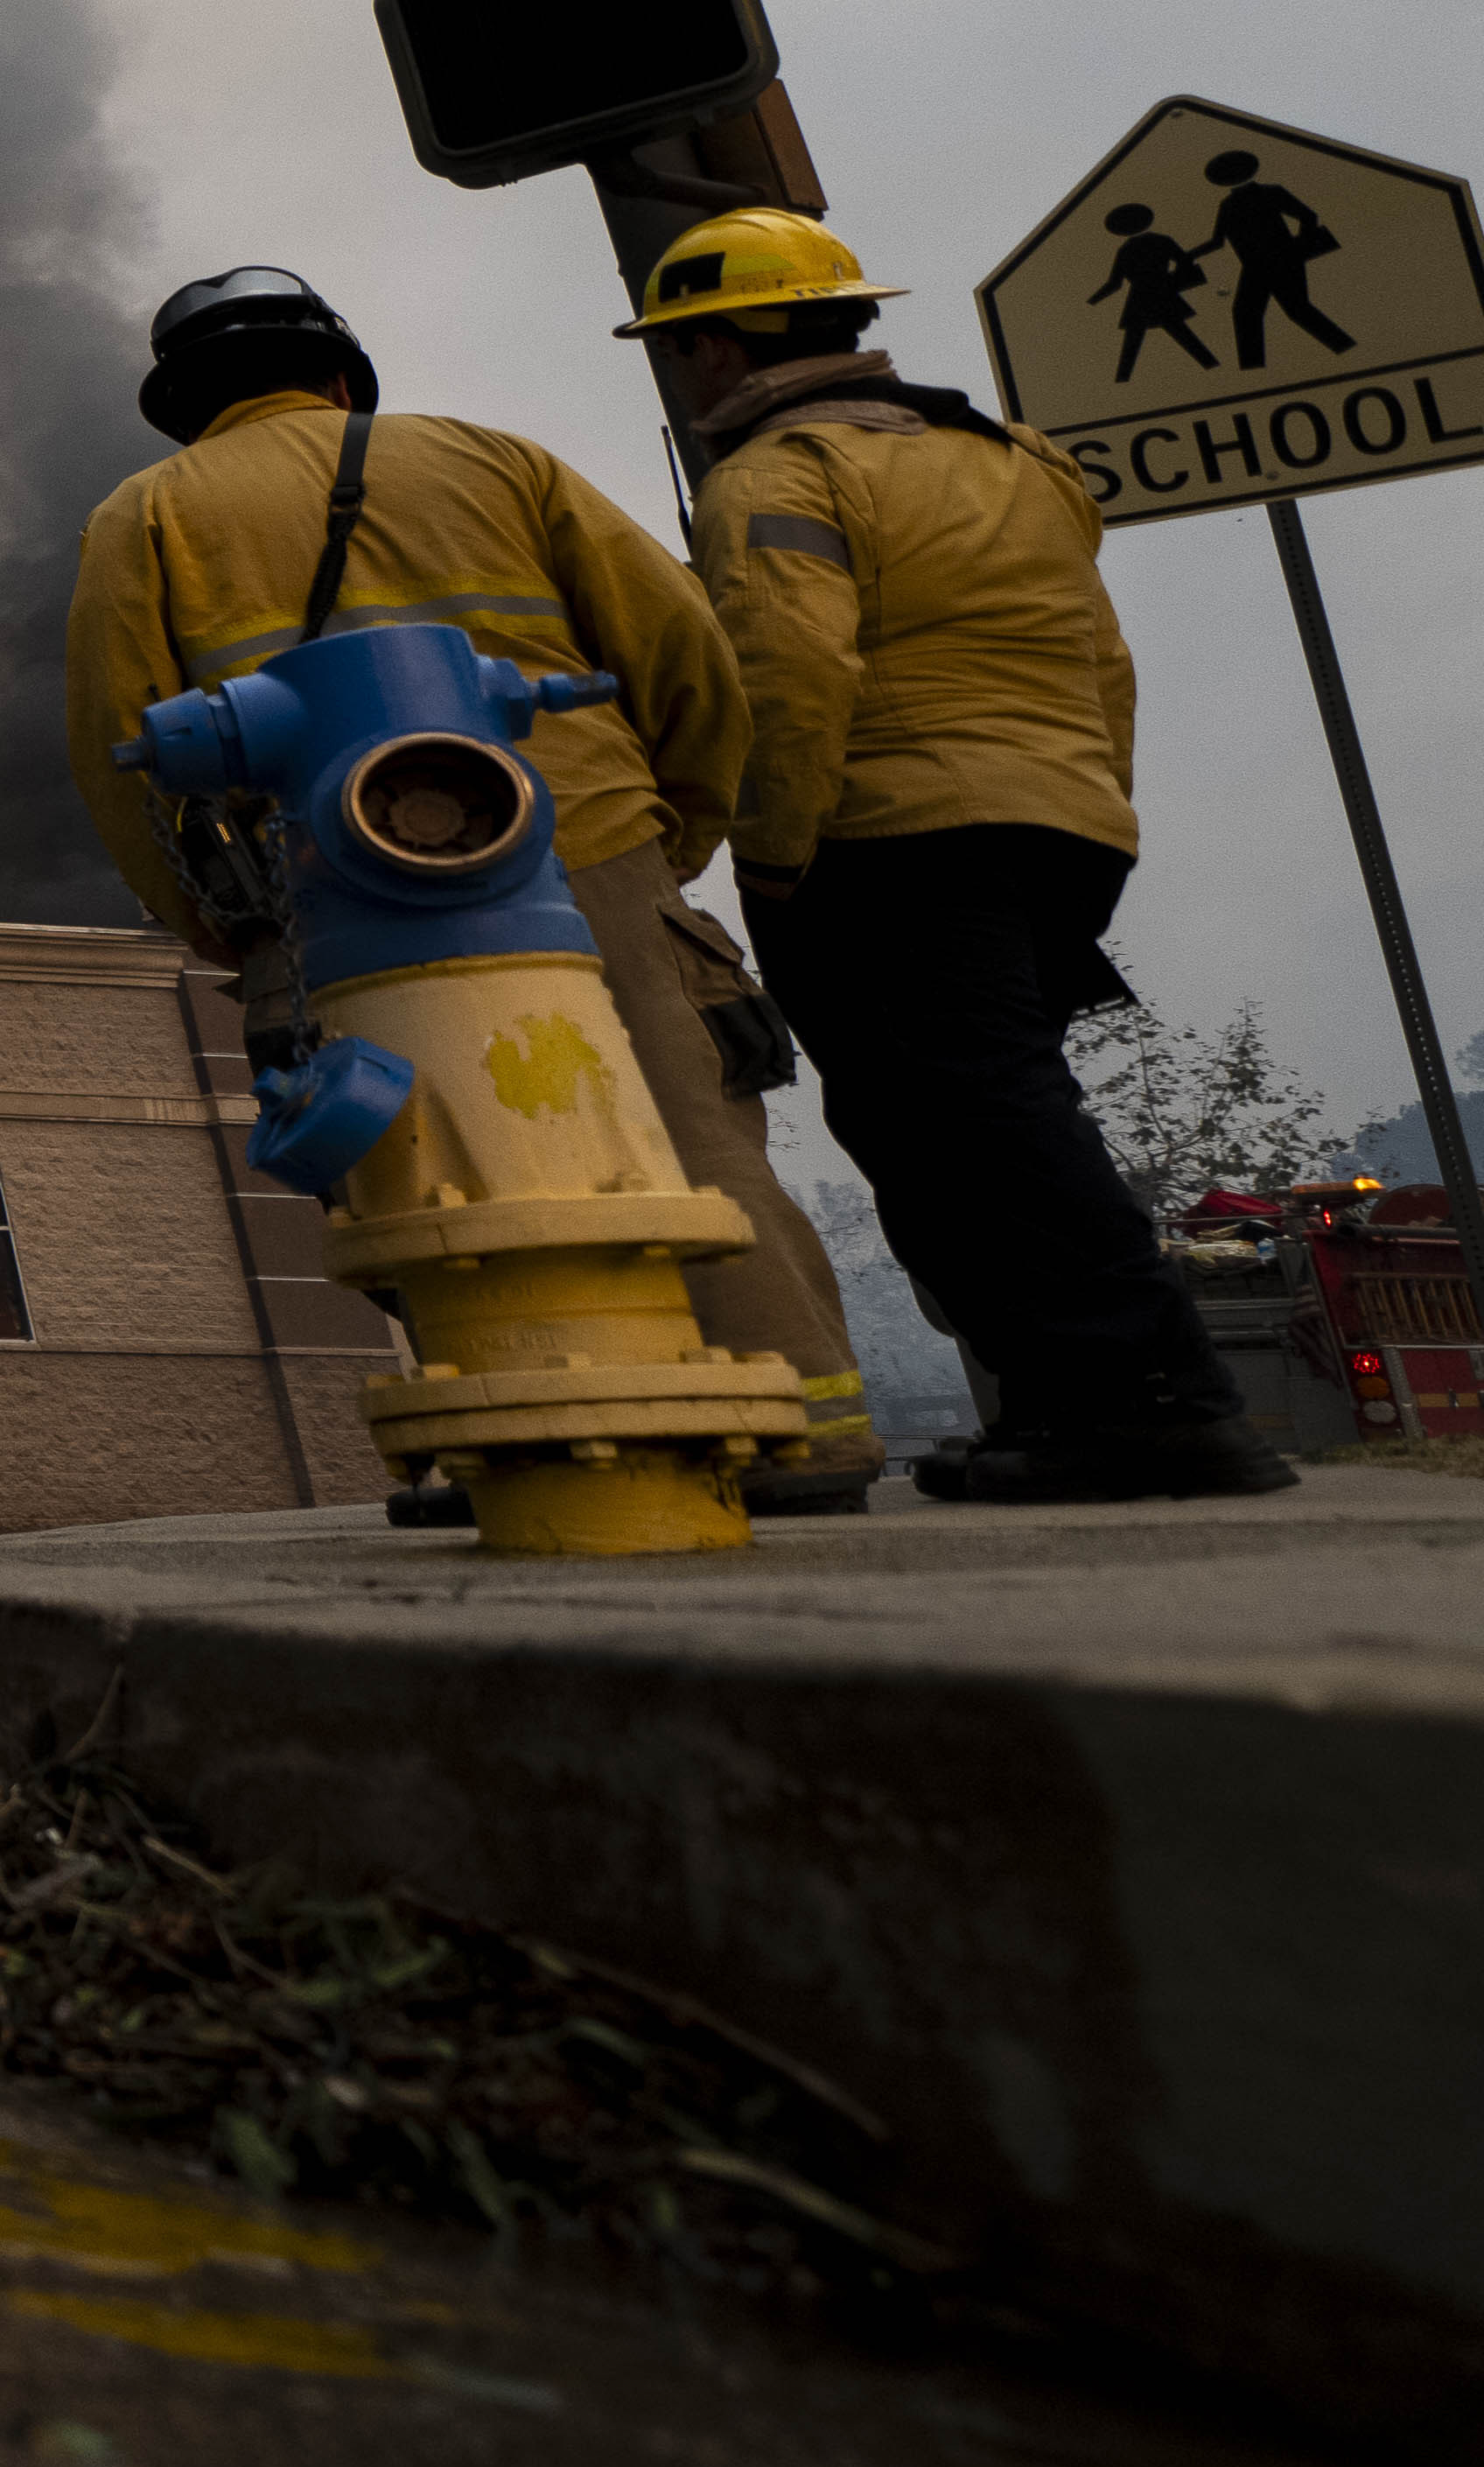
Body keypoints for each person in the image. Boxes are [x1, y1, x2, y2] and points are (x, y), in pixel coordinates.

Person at [64, 263, 873, 1512]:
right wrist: (672, 830)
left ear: (183, 404)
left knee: (419, 1166)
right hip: (583, 838)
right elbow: (685, 652)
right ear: (341, 374)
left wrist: (230, 926)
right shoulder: (493, 459)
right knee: (684, 1137)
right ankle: (808, 1434)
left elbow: (124, 753)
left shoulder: (147, 514)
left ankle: (517, 1441)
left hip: (333, 887)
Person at [616, 207, 1284, 1503]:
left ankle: (1148, 1403)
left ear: (722, 346)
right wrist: (1094, 810)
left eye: (687, 342)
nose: (686, 369)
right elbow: (1107, 661)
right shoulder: (1016, 458)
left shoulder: (775, 475)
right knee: (978, 1118)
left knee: (968, 1132)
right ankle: (1067, 1403)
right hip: (1062, 824)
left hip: (893, 839)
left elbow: (790, 678)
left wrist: (769, 856)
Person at [1199, 149, 1350, 371]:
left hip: (1283, 261)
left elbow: (1308, 216)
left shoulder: (1270, 192)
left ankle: (1348, 349)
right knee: (1246, 313)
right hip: (1254, 268)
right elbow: (1217, 241)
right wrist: (1187, 257)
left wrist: (1297, 249)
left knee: (1297, 310)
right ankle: (1252, 372)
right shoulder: (1228, 205)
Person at [1085, 202, 1210, 384]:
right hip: (1160, 295)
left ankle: (1122, 382)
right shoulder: (1161, 240)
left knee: (1135, 342)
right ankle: (1211, 365)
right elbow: (1185, 261)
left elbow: (1114, 284)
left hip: (1141, 299)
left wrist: (1092, 301)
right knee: (1177, 334)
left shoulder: (1126, 250)